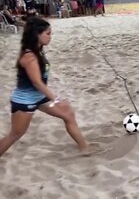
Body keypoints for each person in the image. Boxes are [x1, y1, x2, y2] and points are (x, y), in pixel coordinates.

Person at [0, 17, 89, 157]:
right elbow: (37, 82)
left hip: (39, 97)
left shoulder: (38, 50)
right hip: (25, 101)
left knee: (68, 115)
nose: (50, 37)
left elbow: (29, 25)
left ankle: (85, 148)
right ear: (37, 35)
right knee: (15, 134)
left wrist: (27, 24)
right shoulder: (30, 57)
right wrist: (56, 99)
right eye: (47, 33)